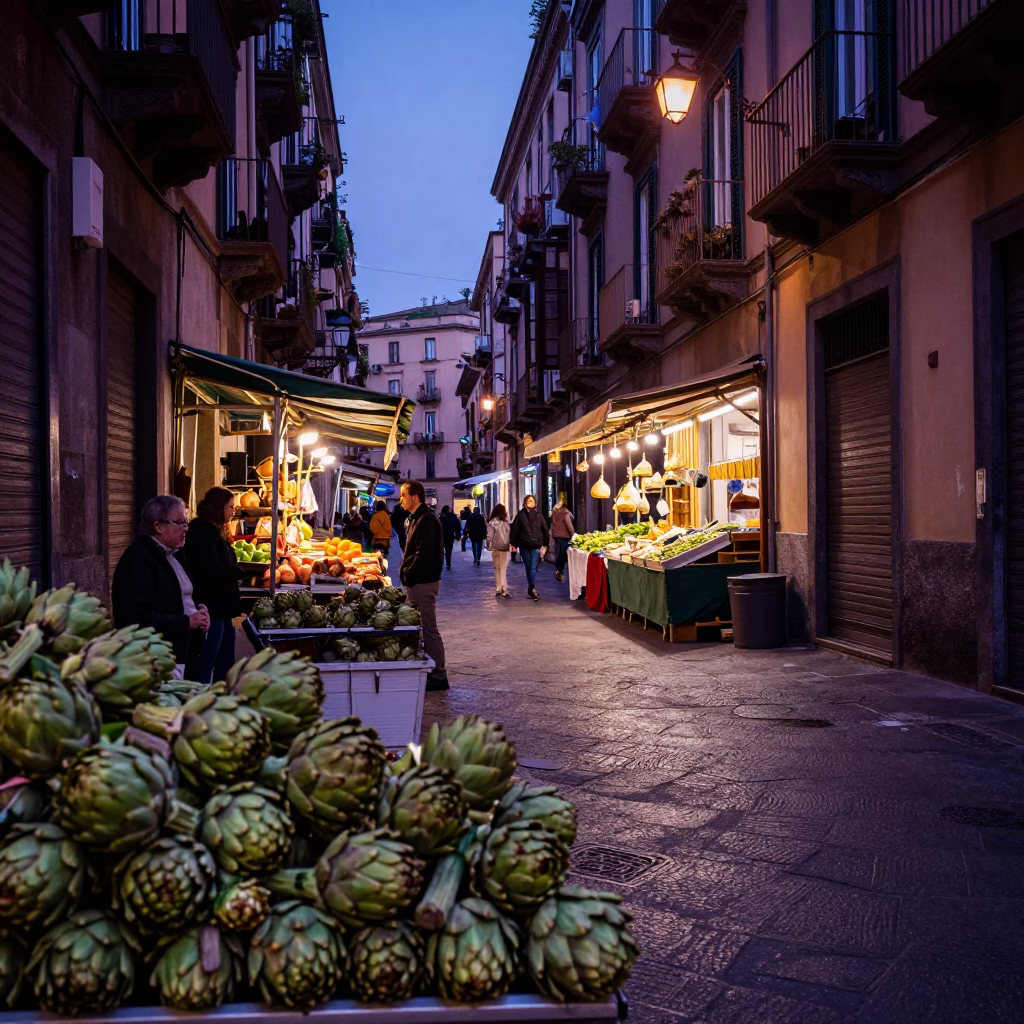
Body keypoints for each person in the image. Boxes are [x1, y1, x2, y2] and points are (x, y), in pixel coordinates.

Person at [112, 495, 211, 676]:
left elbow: (180, 596)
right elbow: (134, 616)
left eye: (186, 522)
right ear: (158, 526)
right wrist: (187, 621)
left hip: (182, 653)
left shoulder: (173, 555)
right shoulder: (138, 559)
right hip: (157, 660)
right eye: (179, 522)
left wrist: (199, 611)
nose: (185, 529)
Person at [182, 486, 243, 685]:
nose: (233, 512)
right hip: (211, 607)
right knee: (206, 662)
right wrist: (239, 572)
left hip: (223, 609)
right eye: (231, 507)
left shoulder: (217, 530)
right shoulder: (202, 532)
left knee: (225, 662)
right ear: (219, 507)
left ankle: (220, 700)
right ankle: (199, 701)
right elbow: (211, 571)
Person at [399, 480, 448, 691]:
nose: (400, 499)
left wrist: (409, 573)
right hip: (418, 581)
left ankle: (439, 674)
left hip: (424, 583)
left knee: (429, 629)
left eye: (403, 495)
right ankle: (426, 669)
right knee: (421, 628)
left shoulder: (427, 520)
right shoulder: (416, 518)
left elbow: (424, 554)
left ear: (415, 497)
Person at [509, 494, 549, 602]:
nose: (531, 502)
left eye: (532, 500)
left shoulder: (539, 516)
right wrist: (514, 544)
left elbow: (545, 530)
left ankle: (532, 588)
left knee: (532, 567)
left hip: (535, 545)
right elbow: (515, 530)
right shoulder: (520, 516)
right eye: (529, 500)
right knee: (528, 566)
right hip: (524, 545)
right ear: (525, 502)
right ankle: (532, 588)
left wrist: (545, 544)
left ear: (535, 503)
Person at [486, 504, 512, 598]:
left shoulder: (492, 522)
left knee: (497, 568)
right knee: (503, 568)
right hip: (504, 548)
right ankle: (504, 589)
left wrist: (489, 545)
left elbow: (489, 536)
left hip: (495, 548)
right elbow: (509, 536)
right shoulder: (505, 523)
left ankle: (498, 588)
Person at [550, 493, 575, 583]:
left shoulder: (555, 511)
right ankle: (560, 572)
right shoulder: (565, 512)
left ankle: (559, 571)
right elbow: (570, 525)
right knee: (565, 557)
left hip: (557, 536)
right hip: (564, 537)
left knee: (560, 555)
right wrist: (573, 536)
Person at [438, 505, 461, 570]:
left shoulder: (440, 516)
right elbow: (457, 526)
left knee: (440, 551)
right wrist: (457, 535)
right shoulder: (453, 516)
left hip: (441, 536)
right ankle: (448, 563)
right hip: (450, 535)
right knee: (448, 551)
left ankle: (441, 563)